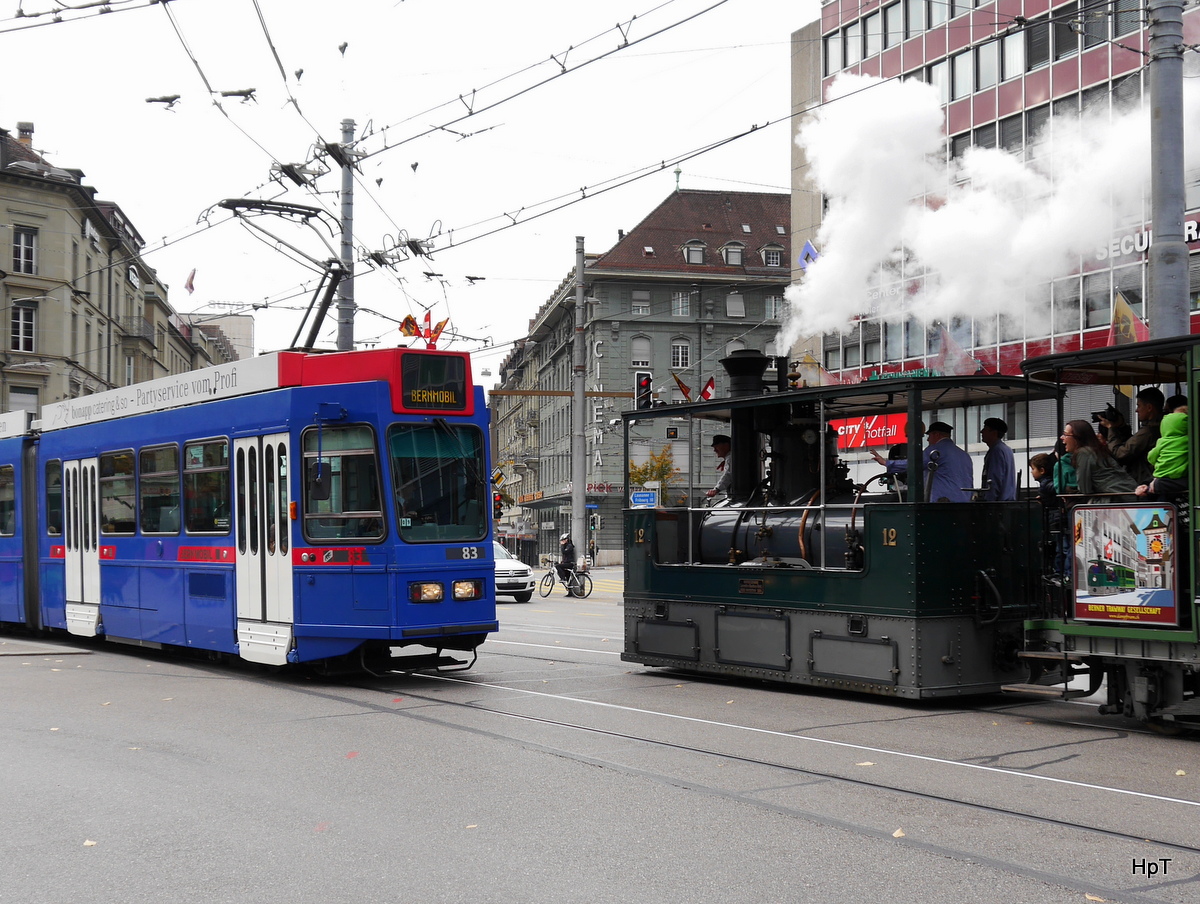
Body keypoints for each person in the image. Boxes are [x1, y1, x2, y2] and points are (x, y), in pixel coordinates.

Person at [874, 421, 972, 502]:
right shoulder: (964, 455)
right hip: (964, 503)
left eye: (929, 436)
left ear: (936, 434)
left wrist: (887, 463)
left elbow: (916, 463)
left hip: (943, 503)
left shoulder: (935, 451)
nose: (928, 440)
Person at [1061, 419, 1137, 501]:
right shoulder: (1097, 450)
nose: (1062, 437)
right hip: (1128, 494)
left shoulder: (1083, 453)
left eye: (1065, 434)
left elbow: (1085, 489)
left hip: (1118, 499)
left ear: (1078, 437)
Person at [1102, 387, 1164, 485]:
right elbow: (1133, 445)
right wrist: (1122, 427)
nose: (1136, 410)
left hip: (1143, 482)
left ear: (1149, 408)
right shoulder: (1160, 426)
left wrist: (1111, 428)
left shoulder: (1149, 431)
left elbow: (1120, 454)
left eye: (1139, 406)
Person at [1135, 408, 1189, 500]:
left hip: (1164, 483)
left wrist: (1157, 484)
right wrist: (1146, 485)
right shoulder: (1189, 442)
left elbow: (1151, 457)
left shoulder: (1162, 442)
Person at [979, 417, 1016, 501]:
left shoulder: (996, 451)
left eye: (985, 429)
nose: (981, 431)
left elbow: (994, 481)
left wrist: (989, 502)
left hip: (998, 505)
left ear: (994, 433)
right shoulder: (1006, 449)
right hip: (1007, 503)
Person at [705, 434, 732, 498]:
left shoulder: (730, 458)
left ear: (726, 445)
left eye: (716, 446)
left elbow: (728, 475)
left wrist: (716, 489)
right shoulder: (729, 458)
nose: (714, 450)